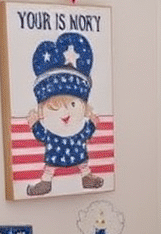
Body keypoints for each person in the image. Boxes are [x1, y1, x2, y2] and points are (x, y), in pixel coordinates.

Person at [26, 31, 105, 196]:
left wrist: (92, 122)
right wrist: (34, 124)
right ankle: (46, 182)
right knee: (50, 167)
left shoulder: (78, 129)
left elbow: (87, 132)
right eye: (55, 106)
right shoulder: (51, 132)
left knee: (83, 163)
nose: (65, 112)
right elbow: (41, 134)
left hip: (77, 152)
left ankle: (86, 177)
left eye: (73, 104)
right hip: (56, 154)